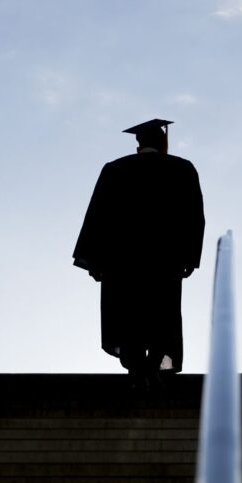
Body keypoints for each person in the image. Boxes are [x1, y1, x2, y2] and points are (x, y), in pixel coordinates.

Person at [73, 118, 205, 388]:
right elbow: (193, 216)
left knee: (127, 313)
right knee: (161, 312)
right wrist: (190, 257)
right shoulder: (181, 168)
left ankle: (135, 371)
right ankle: (154, 367)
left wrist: (93, 260)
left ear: (138, 144)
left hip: (123, 262)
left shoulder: (114, 170)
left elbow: (97, 216)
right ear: (162, 142)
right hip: (164, 260)